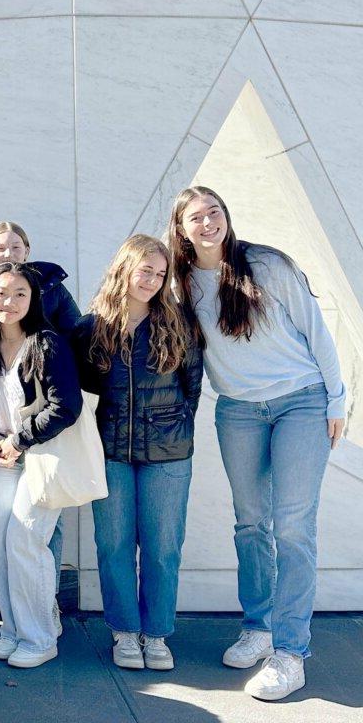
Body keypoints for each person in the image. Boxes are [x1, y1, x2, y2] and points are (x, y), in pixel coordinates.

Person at [168, 186, 345, 701]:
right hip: (239, 410)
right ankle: (259, 627)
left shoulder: (266, 265)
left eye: (214, 213)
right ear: (181, 229)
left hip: (301, 402)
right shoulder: (180, 286)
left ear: (227, 216)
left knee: (292, 526)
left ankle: (291, 653)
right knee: (250, 523)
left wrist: (336, 401)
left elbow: (317, 331)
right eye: (195, 218)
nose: (207, 224)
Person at [70, 235, 203, 671]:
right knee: (113, 545)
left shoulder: (177, 321)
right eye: (145, 270)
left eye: (160, 273)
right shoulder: (92, 327)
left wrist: (172, 424)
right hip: (109, 452)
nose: (152, 280)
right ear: (124, 268)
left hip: (168, 454)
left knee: (164, 547)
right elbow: (81, 393)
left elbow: (192, 386)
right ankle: (125, 632)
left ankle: (157, 634)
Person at [0, 221, 80, 633]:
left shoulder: (46, 342)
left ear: (32, 299)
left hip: (41, 455)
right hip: (3, 458)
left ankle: (40, 635)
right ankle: (13, 628)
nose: (9, 302)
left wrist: (19, 440)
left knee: (26, 543)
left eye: (19, 295)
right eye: (1, 294)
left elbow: (67, 405)